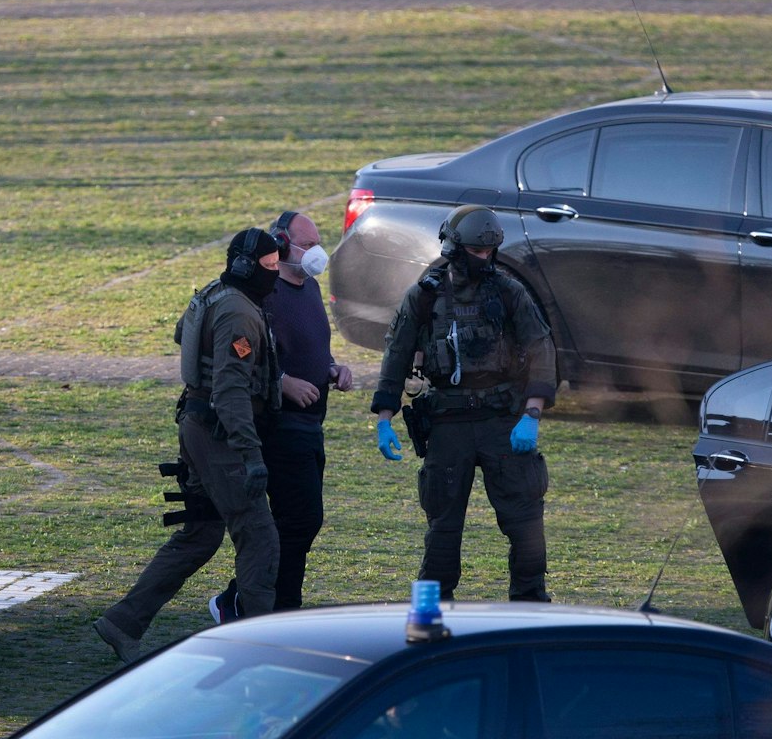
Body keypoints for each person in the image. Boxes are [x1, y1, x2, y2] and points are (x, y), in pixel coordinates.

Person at [94, 229, 286, 663]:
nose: (274, 274)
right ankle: (264, 648)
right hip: (220, 435)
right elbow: (232, 389)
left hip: (198, 425)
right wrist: (251, 454)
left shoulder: (214, 294)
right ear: (246, 267)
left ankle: (123, 622)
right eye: (269, 266)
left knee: (200, 533)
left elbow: (185, 335)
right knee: (258, 536)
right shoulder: (239, 312)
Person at [369, 204, 556, 602]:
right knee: (442, 526)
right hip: (447, 422)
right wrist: (384, 417)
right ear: (455, 247)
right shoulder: (425, 296)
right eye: (477, 251)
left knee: (525, 523)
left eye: (491, 252)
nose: (485, 259)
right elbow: (397, 352)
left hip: (502, 420)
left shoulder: (509, 292)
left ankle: (531, 607)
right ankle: (432, 612)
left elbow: (541, 348)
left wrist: (532, 413)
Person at [210, 211, 354, 620]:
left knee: (298, 523)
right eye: (308, 245)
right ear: (283, 244)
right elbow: (246, 359)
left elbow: (311, 346)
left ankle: (265, 603)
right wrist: (284, 382)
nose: (316, 253)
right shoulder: (263, 294)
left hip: (311, 424)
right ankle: (257, 603)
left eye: (318, 243)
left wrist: (332, 368)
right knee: (299, 520)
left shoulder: (307, 288)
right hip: (281, 425)